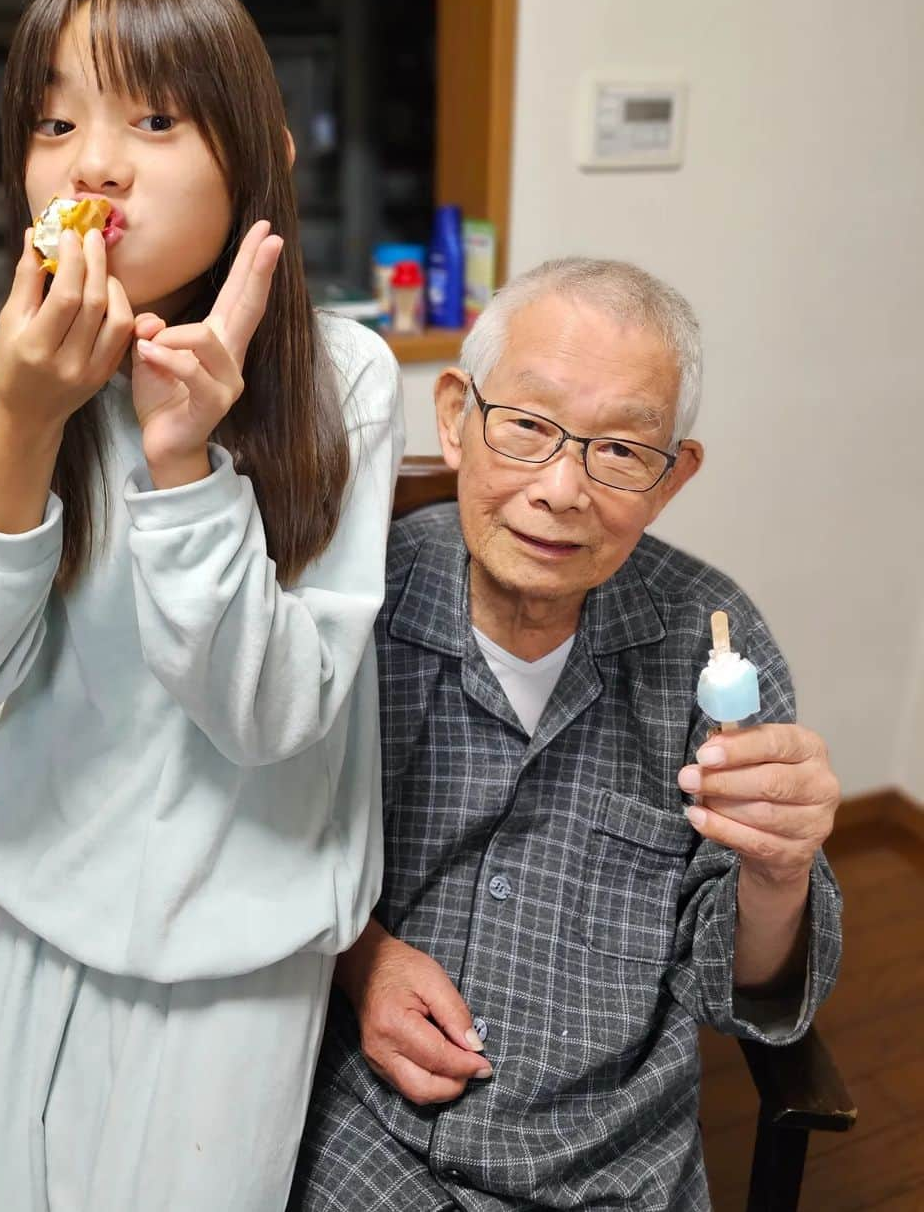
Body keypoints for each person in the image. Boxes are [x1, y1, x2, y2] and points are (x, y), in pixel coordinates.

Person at [0, 0, 403, 1212]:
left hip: (244, 951)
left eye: (154, 120)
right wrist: (18, 421)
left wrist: (185, 469)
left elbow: (276, 717)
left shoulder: (344, 381)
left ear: (258, 152)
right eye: (56, 121)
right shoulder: (2, 377)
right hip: (42, 919)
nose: (92, 163)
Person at [290, 258, 842, 1212]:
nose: (562, 488)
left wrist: (780, 872)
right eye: (530, 426)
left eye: (621, 450)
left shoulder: (714, 645)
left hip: (608, 1173)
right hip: (362, 1144)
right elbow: (256, 845)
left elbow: (738, 987)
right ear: (457, 417)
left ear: (672, 479)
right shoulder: (350, 605)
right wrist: (361, 957)